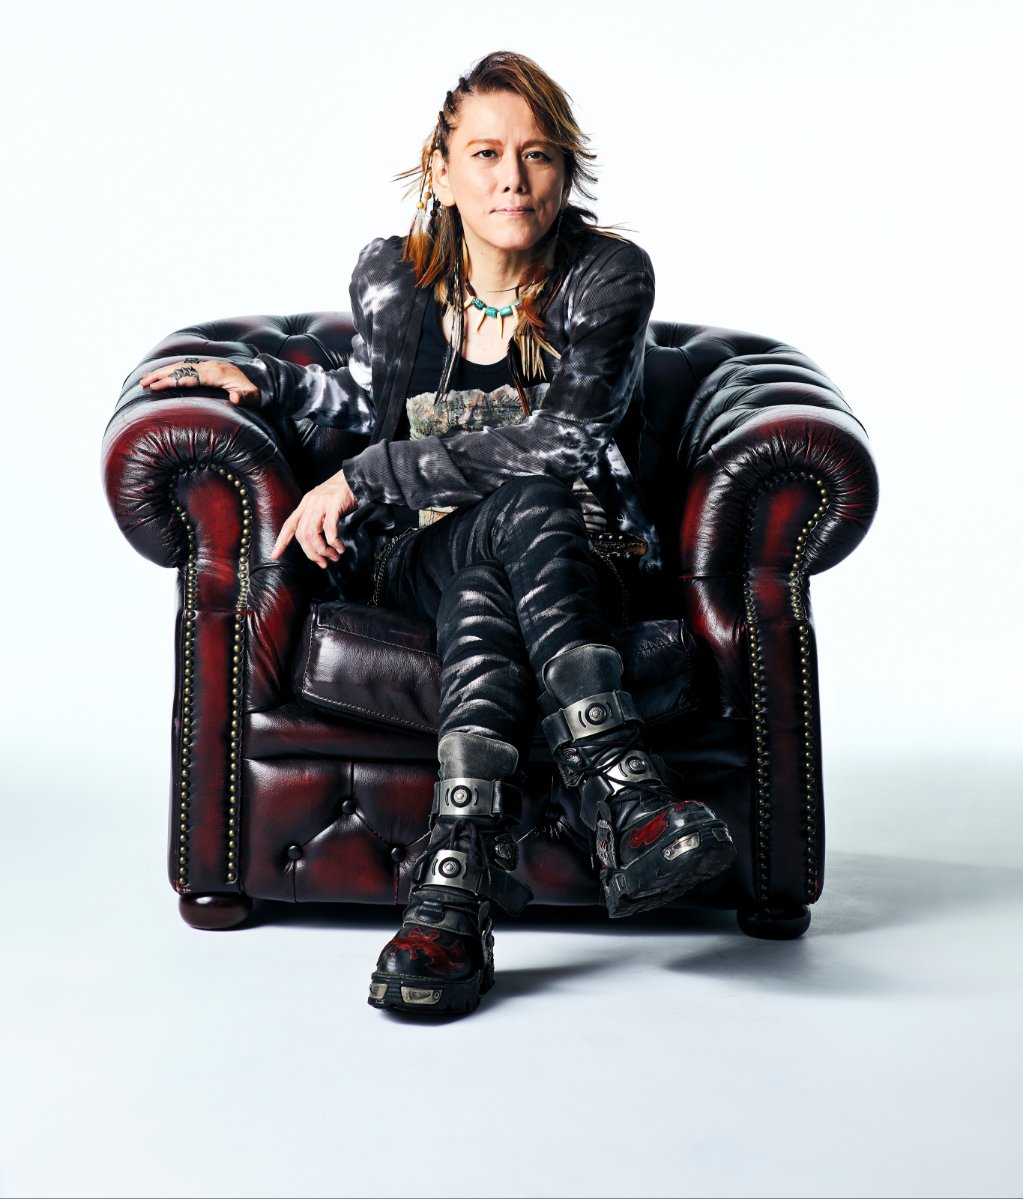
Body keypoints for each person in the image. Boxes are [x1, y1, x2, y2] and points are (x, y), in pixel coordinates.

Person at [140, 50, 736, 1018]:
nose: (512, 179)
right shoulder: (393, 276)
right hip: (416, 553)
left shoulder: (606, 277)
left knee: (506, 552)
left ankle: (453, 887)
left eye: (537, 154)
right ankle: (623, 791)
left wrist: (366, 474)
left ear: (564, 170)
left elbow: (566, 439)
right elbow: (368, 398)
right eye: (487, 153)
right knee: (501, 529)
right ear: (442, 167)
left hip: (578, 559)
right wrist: (269, 383)